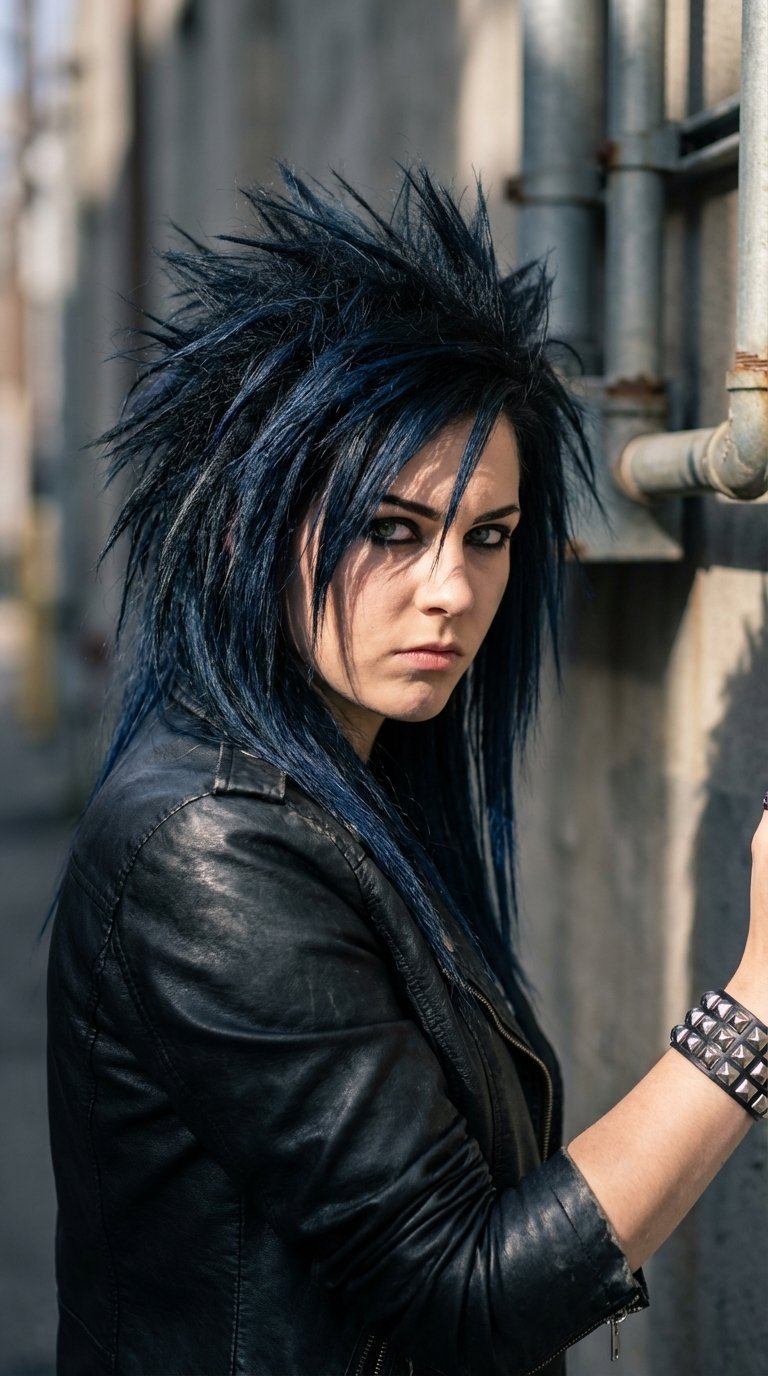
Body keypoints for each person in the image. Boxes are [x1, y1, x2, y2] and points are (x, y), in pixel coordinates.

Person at [46, 166, 768, 1376]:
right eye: (392, 529)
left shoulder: (338, 784)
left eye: (487, 536)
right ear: (247, 523)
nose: (453, 589)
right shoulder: (209, 851)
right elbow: (463, 1297)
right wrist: (753, 1007)